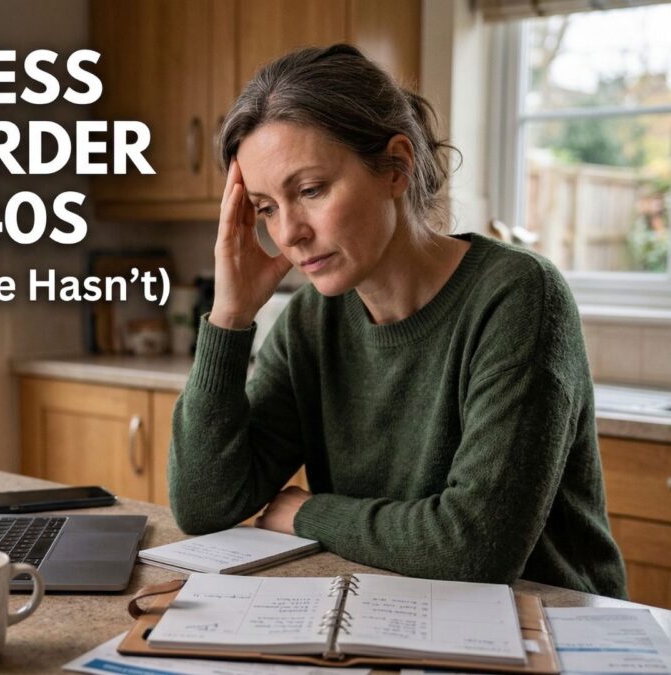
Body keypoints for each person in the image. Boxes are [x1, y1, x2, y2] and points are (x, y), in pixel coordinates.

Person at [167, 44, 627, 599]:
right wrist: (230, 316)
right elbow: (204, 504)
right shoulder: (312, 318)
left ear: (396, 167)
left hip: (552, 625)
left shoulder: (519, 296)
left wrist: (310, 513)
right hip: (391, 607)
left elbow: (476, 547)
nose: (288, 233)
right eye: (265, 207)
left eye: (309, 191)